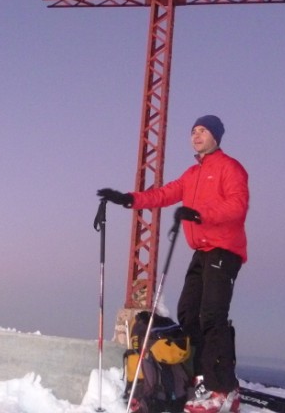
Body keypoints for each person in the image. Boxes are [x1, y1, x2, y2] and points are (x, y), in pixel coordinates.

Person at [98, 115, 248, 413]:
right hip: (202, 251)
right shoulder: (192, 174)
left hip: (224, 249)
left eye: (203, 131)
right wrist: (128, 199)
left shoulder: (229, 167)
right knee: (188, 313)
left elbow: (237, 205)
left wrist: (200, 214)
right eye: (193, 131)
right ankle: (200, 378)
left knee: (213, 315)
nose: (196, 135)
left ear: (216, 136)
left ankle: (224, 390)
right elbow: (164, 194)